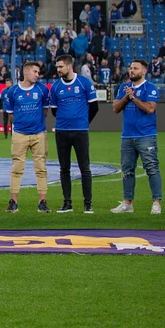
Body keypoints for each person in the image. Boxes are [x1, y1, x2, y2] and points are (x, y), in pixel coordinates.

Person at [111, 59, 163, 214]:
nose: (131, 70)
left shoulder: (150, 88)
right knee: (127, 170)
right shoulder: (123, 88)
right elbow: (115, 108)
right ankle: (127, 203)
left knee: (151, 168)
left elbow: (150, 109)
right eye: (130, 68)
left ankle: (156, 202)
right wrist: (127, 97)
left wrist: (133, 98)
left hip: (146, 135)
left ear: (144, 71)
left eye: (135, 68)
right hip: (127, 136)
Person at [51, 54, 99, 214]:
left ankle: (88, 203)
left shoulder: (84, 82)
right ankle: (67, 203)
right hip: (62, 132)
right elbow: (54, 111)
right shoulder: (56, 86)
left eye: (60, 67)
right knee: (64, 169)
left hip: (80, 132)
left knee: (84, 167)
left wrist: (83, 123)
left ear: (69, 66)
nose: (58, 70)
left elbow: (94, 108)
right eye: (57, 67)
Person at [4, 61, 52, 213]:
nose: (37, 75)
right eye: (35, 72)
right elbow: (11, 115)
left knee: (41, 168)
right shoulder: (12, 91)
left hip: (39, 134)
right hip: (19, 134)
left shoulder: (43, 90)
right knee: (17, 168)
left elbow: (45, 112)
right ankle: (13, 201)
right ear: (25, 72)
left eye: (38, 72)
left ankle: (42, 201)